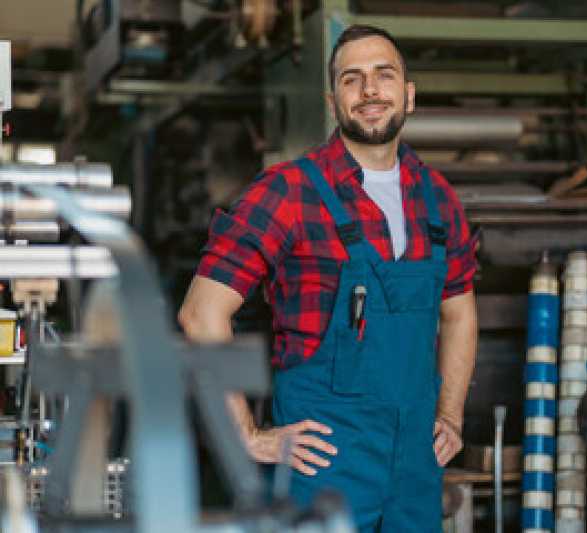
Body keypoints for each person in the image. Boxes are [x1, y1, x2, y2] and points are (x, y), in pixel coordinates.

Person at [178, 24, 478, 532]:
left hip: (415, 465)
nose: (369, 91)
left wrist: (450, 414)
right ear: (332, 100)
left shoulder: (437, 196)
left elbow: (460, 312)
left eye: (384, 76)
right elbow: (200, 313)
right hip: (324, 463)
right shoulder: (289, 191)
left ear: (408, 94)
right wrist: (247, 435)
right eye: (351, 79)